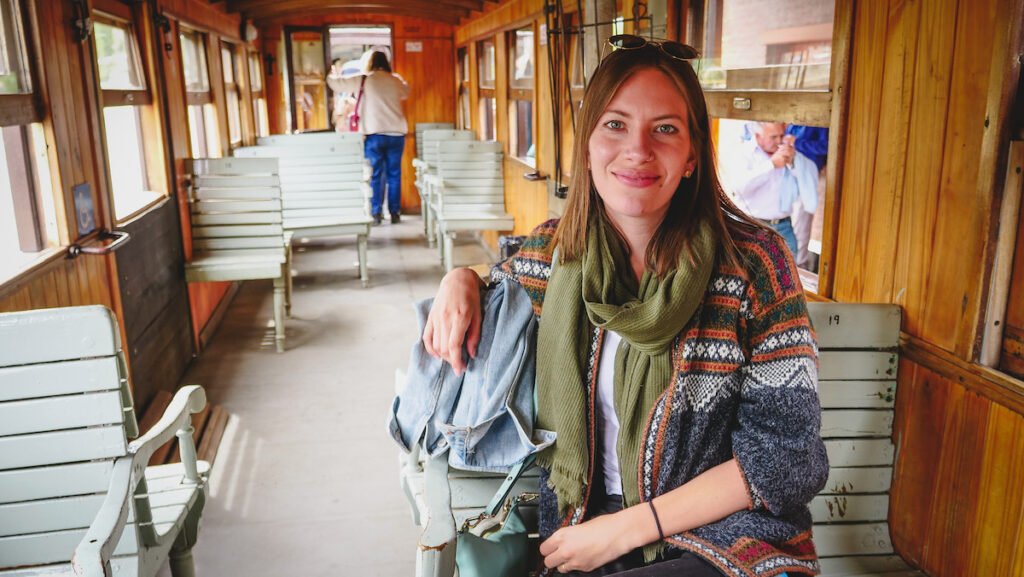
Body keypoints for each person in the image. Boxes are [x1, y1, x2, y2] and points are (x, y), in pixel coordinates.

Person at [421, 36, 828, 577]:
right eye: (615, 124)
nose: (638, 149)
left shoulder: (753, 263)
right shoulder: (551, 258)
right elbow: (495, 283)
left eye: (665, 129)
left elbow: (788, 459)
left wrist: (627, 529)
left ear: (691, 157)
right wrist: (459, 279)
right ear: (588, 146)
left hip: (729, 541)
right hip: (583, 526)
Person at [327, 50, 409, 225]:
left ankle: (376, 213)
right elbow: (406, 91)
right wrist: (400, 78)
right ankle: (394, 213)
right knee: (394, 175)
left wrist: (330, 73)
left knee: (376, 174)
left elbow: (337, 85)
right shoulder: (394, 80)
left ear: (370, 63)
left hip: (374, 133)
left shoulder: (364, 79)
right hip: (396, 133)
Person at [730, 122, 819, 258]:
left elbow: (808, 182)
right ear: (758, 135)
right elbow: (739, 188)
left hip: (784, 227)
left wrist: (795, 161)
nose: (778, 141)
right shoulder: (743, 153)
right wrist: (771, 165)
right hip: (751, 226)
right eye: (773, 137)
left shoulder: (789, 153)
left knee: (789, 276)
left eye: (781, 135)